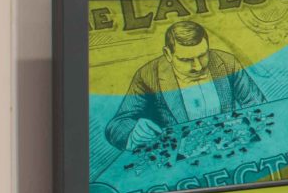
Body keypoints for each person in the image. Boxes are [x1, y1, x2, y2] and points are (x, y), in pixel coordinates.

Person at [105, 20, 264, 150]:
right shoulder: (148, 75)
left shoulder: (227, 62)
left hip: (229, 145)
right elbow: (117, 125)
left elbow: (258, 105)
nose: (198, 66)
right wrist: (133, 133)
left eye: (202, 55)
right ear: (168, 54)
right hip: (179, 156)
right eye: (186, 60)